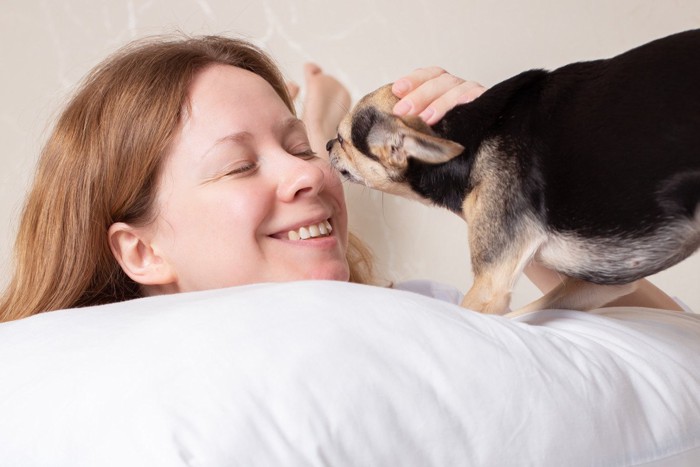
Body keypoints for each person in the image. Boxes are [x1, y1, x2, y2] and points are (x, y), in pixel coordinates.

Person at [0, 34, 682, 323]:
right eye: (240, 163)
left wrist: (511, 163)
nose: (305, 172)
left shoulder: (424, 309)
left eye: (303, 147)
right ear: (141, 250)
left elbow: (679, 352)